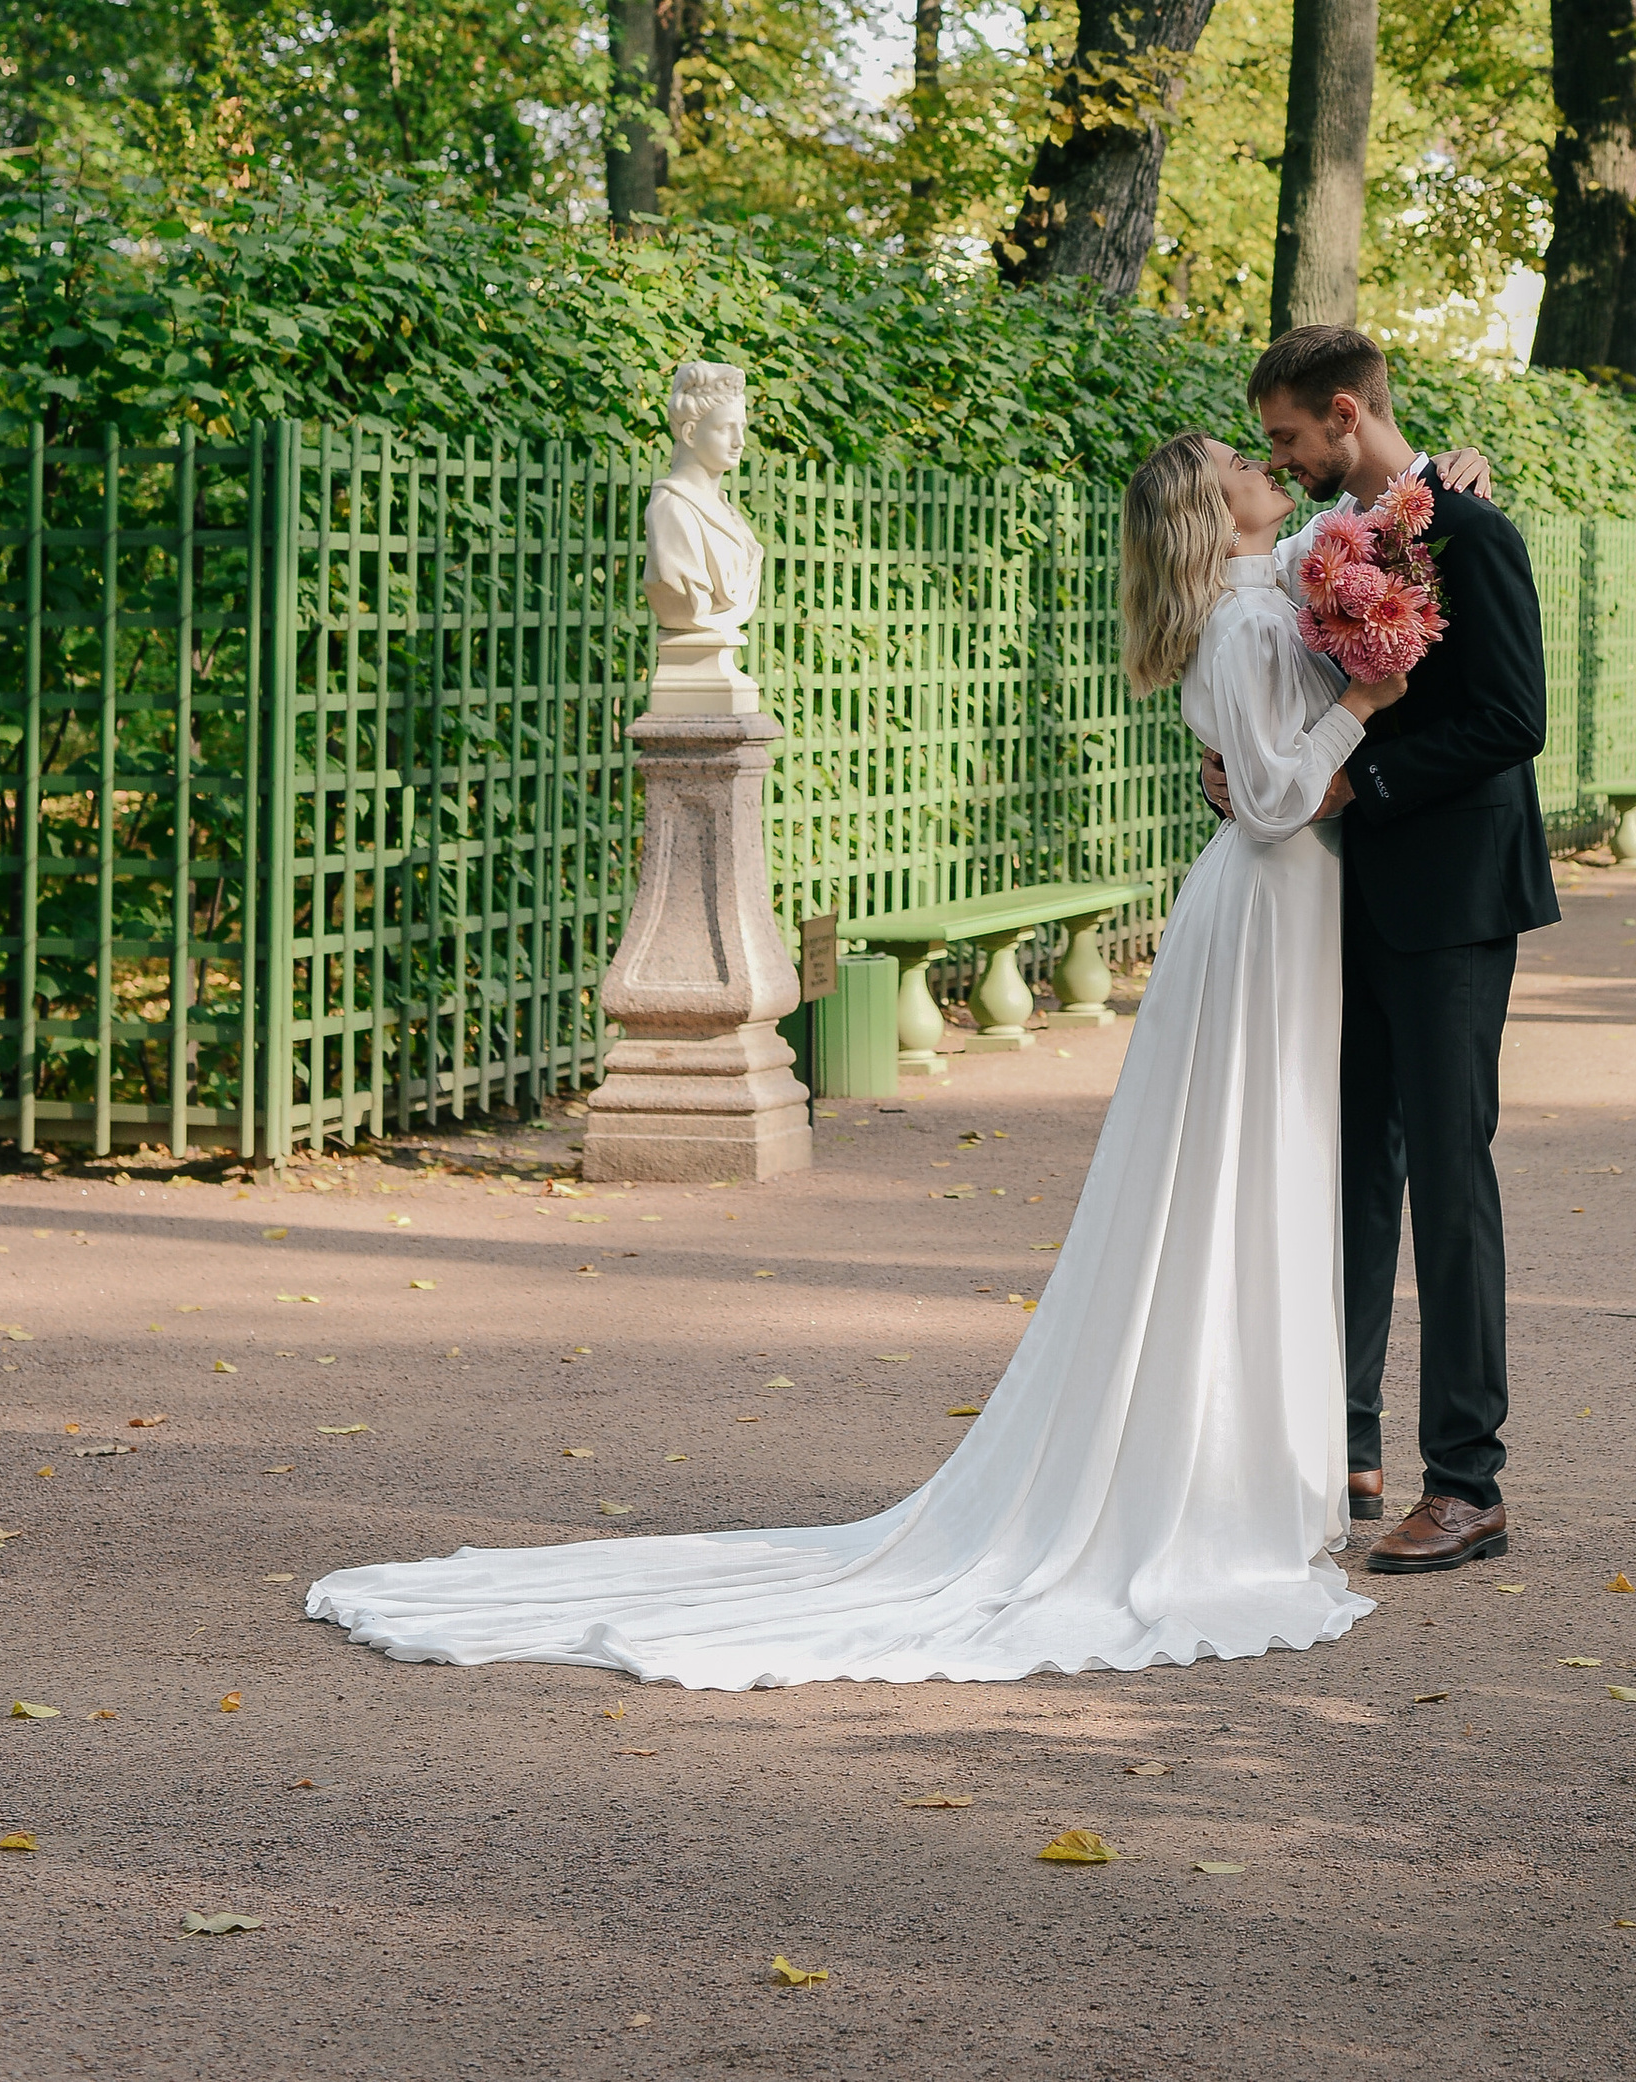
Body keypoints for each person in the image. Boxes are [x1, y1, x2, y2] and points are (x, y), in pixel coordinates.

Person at [304, 427, 1404, 1689]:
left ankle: (1247, 1456)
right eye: (1242, 469)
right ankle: (1233, 1477)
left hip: (1260, 914)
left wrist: (1398, 548)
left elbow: (1318, 609)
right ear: (1212, 517)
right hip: (1270, 909)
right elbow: (1269, 797)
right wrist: (1365, 708)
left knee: (1250, 1178)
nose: (1271, 473)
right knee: (1251, 1176)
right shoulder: (1247, 627)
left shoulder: (1256, 601)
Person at [1240, 324, 1556, 1577]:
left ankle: (1468, 1481)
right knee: (1352, 1173)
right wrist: (1259, 768)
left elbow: (1512, 717)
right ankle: (1352, 1443)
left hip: (1455, 897)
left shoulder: (1471, 534)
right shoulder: (1330, 546)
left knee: (1447, 1173)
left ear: (1343, 412)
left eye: (1286, 438)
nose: (1282, 458)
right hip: (1346, 895)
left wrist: (1357, 785)